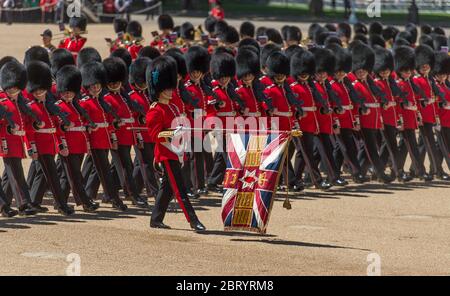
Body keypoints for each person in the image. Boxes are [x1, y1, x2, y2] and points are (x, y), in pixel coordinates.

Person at [146, 55, 205, 231]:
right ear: (159, 89)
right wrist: (173, 132)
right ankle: (193, 221)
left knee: (167, 188)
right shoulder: (155, 111)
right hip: (166, 153)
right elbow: (155, 136)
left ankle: (155, 219)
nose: (171, 90)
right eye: (167, 88)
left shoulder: (174, 104)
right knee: (180, 189)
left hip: (178, 150)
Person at [24, 61, 75, 215]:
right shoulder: (31, 107)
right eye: (37, 90)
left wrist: (61, 143)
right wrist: (31, 147)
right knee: (52, 175)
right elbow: (28, 130)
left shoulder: (49, 106)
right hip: (40, 145)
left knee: (43, 174)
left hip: (50, 145)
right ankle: (61, 204)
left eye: (42, 90)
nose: (40, 92)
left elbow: (57, 128)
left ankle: (34, 202)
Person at [78, 62, 128, 211]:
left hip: (104, 139)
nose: (96, 88)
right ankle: (114, 199)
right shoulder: (84, 103)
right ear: (87, 87)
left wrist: (112, 136)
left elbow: (108, 122)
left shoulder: (101, 102)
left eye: (98, 85)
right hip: (94, 141)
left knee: (99, 170)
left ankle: (90, 196)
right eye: (93, 86)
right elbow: (84, 124)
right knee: (104, 171)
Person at [54, 65, 99, 212]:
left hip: (79, 144)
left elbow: (82, 124)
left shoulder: (76, 105)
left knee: (67, 177)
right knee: (75, 176)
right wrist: (62, 144)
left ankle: (60, 202)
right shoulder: (58, 106)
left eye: (70, 92)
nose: (68, 94)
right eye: (65, 92)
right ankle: (85, 202)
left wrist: (86, 138)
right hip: (68, 145)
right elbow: (57, 129)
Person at [0, 61, 39, 217]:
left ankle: (6, 205)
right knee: (16, 173)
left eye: (14, 87)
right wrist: (7, 126)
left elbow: (26, 122)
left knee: (11, 174)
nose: (12, 90)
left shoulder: (20, 102)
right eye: (9, 88)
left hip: (17, 141)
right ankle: (24, 203)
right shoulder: (3, 102)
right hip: (6, 140)